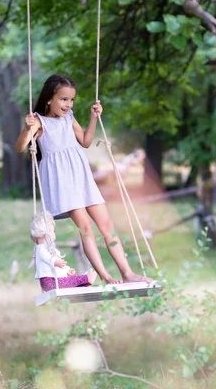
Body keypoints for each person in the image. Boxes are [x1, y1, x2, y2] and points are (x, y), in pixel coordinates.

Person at [15, 74, 152, 285]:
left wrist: (93, 117)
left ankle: (127, 273)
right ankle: (106, 276)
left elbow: (86, 141)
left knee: (107, 226)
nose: (68, 104)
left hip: (81, 177)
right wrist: (27, 128)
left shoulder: (69, 118)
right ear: (49, 99)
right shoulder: (39, 121)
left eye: (71, 100)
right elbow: (20, 147)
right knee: (85, 228)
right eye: (63, 99)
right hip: (62, 181)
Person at [29, 211, 98, 291]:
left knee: (69, 282)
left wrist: (67, 270)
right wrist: (55, 262)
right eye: (53, 231)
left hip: (53, 281)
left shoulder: (50, 248)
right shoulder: (40, 249)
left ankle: (85, 284)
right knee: (70, 281)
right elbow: (47, 258)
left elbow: (57, 264)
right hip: (50, 282)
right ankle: (86, 279)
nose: (54, 233)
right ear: (46, 233)